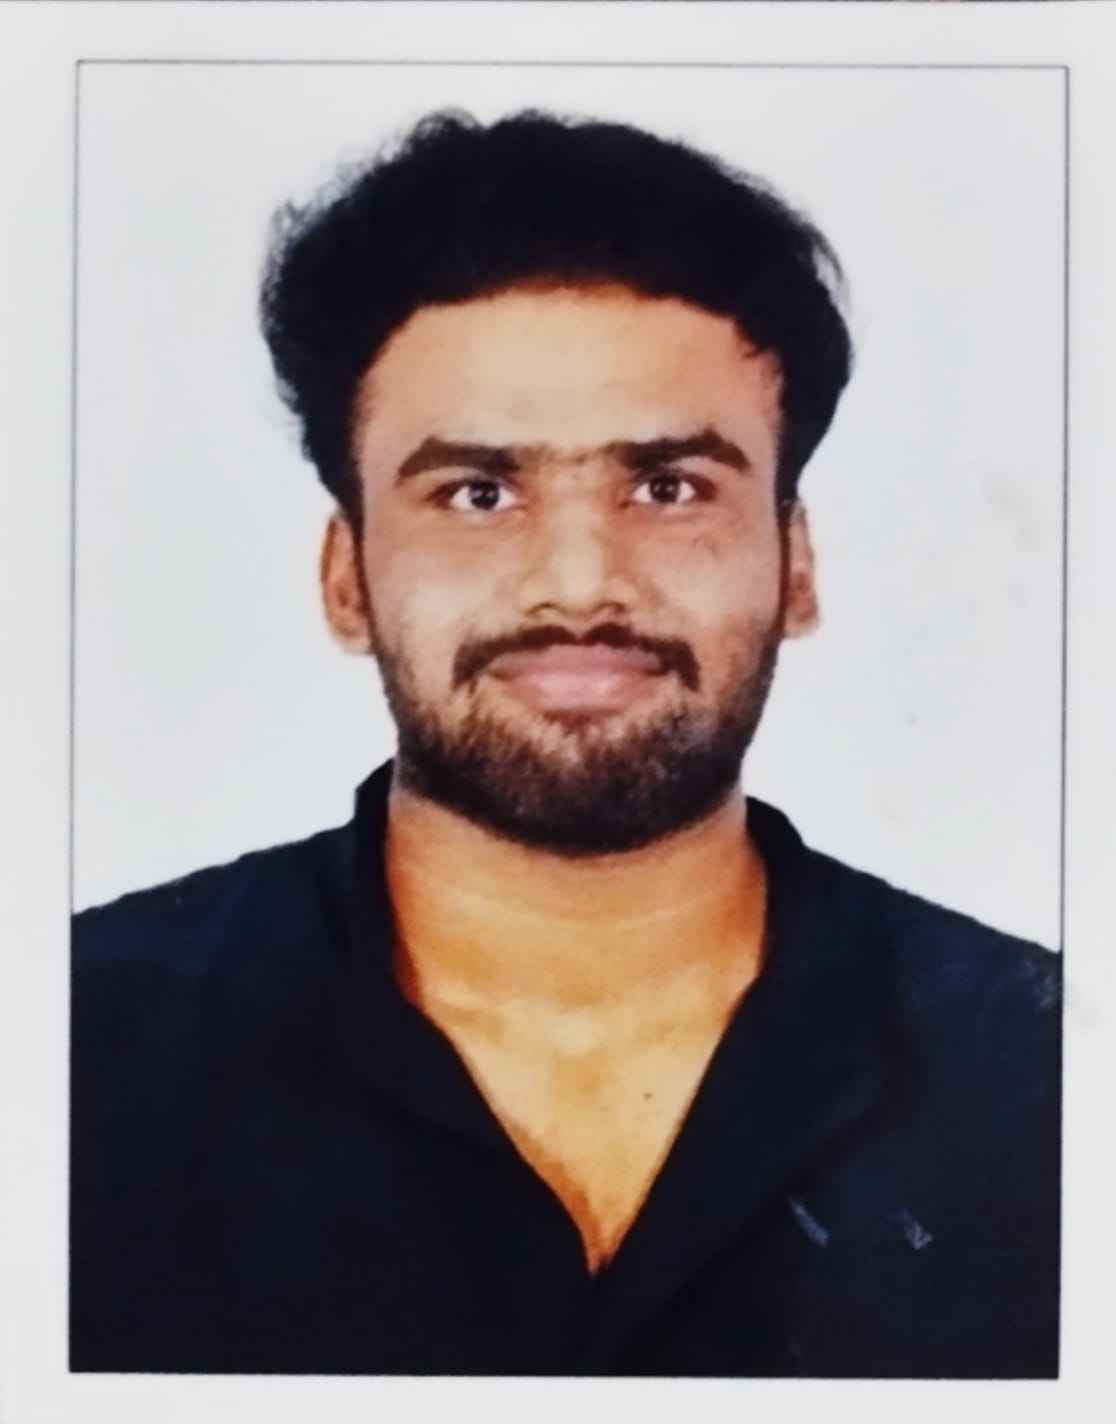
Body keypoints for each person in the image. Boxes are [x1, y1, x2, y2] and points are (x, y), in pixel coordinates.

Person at [70, 109, 1060, 1378]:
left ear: (796, 562)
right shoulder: (71, 1053)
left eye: (669, 486)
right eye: (479, 493)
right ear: (347, 576)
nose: (582, 582)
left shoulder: (1045, 1075)